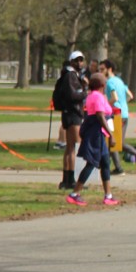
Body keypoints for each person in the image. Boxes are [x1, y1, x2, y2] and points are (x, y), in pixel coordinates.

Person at [66, 71, 119, 208]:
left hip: (98, 133)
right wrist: (111, 135)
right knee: (92, 163)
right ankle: (74, 193)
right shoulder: (97, 97)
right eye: (105, 82)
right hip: (96, 134)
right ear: (102, 84)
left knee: (105, 163)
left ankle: (108, 195)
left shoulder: (93, 95)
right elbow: (100, 116)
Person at [52, 51, 87, 190]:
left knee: (70, 147)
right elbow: (72, 95)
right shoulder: (70, 76)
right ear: (71, 62)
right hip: (73, 114)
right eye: (76, 60)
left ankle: (66, 180)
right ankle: (71, 180)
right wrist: (85, 93)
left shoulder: (71, 75)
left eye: (81, 60)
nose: (79, 63)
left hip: (69, 114)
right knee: (75, 147)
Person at [102, 59, 133, 174]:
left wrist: (105, 105)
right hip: (124, 113)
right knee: (118, 141)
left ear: (109, 69)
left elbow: (114, 98)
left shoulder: (110, 82)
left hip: (116, 113)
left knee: (113, 140)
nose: (101, 72)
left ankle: (119, 168)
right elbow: (130, 96)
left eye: (102, 69)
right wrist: (123, 104)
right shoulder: (119, 80)